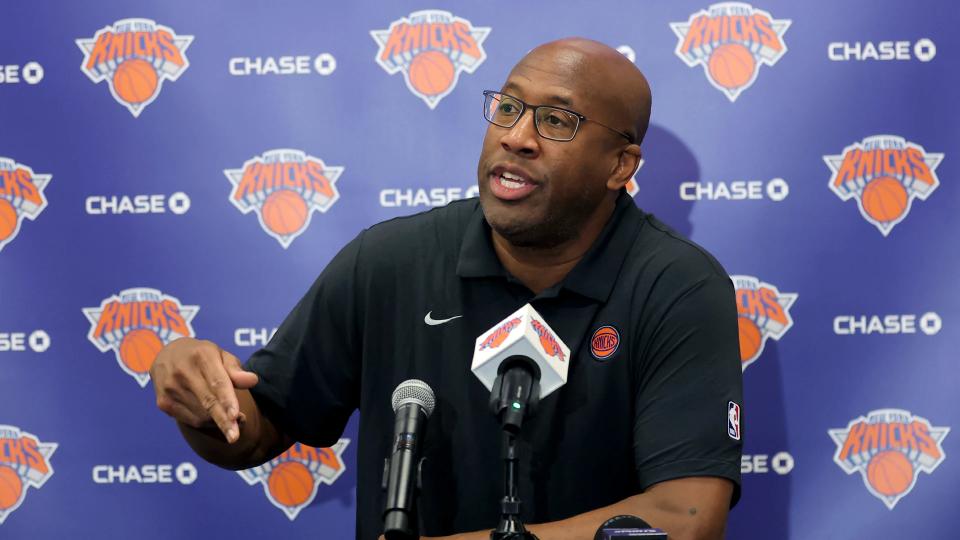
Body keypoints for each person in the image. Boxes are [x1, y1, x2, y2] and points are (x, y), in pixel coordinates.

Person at [150, 38, 743, 540]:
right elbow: (256, 434)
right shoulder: (389, 260)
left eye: (557, 121)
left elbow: (686, 517)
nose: (518, 137)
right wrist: (201, 396)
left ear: (620, 166)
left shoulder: (677, 285)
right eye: (508, 108)